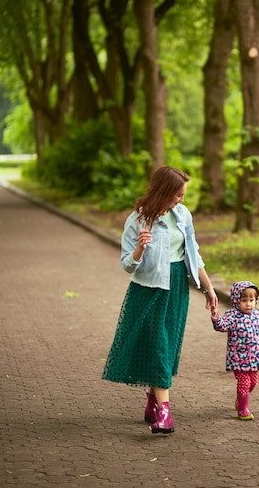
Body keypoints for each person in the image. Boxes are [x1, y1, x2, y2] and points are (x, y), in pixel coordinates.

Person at [102, 166, 217, 435]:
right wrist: (140, 248)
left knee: (168, 344)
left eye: (183, 194)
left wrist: (209, 289)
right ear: (164, 192)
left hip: (176, 286)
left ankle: (154, 402)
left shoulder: (182, 215)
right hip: (148, 290)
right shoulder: (137, 220)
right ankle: (164, 413)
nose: (182, 200)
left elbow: (193, 255)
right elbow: (127, 265)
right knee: (158, 346)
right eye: (178, 194)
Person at [210, 280, 259, 420]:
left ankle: (240, 399)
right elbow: (222, 326)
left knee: (253, 382)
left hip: (255, 357)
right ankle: (243, 409)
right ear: (236, 300)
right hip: (238, 358)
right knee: (244, 383)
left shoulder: (257, 315)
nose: (248, 304)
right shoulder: (232, 315)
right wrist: (215, 316)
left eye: (251, 300)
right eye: (244, 300)